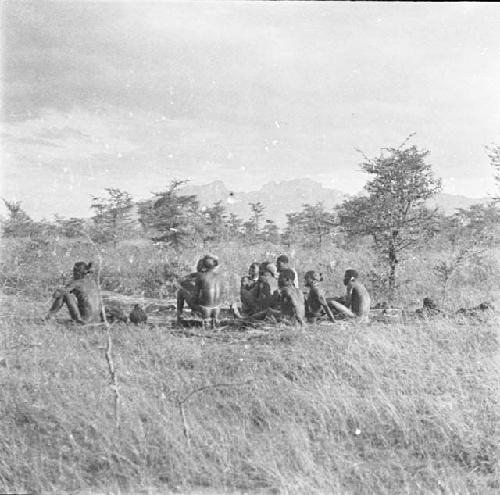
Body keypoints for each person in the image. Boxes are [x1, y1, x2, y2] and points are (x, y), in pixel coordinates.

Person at [46, 261, 127, 324]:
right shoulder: (93, 282)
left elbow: (56, 295)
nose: (73, 274)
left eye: (74, 271)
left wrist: (60, 289)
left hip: (84, 321)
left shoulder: (76, 282)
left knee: (64, 294)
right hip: (98, 320)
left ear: (78, 272)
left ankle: (48, 318)